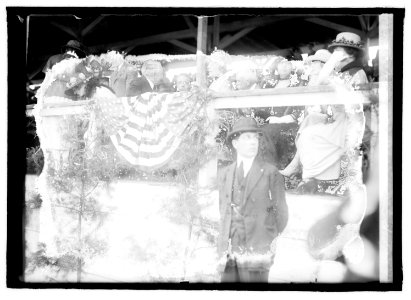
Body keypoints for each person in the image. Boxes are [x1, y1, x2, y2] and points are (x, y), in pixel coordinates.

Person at [281, 32, 369, 193]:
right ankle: (299, 167)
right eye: (335, 50)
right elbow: (321, 83)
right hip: (339, 119)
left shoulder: (357, 73)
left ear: (350, 53)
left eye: (340, 50)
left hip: (351, 123)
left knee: (308, 135)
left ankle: (309, 178)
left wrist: (332, 63)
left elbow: (353, 107)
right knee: (311, 118)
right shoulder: (343, 73)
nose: (336, 53)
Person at [217, 117, 288, 283]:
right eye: (247, 138)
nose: (253, 142)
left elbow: (282, 213)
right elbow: (223, 209)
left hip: (258, 249)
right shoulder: (225, 173)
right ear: (235, 143)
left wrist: (268, 237)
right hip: (231, 248)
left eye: (255, 138)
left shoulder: (271, 173)